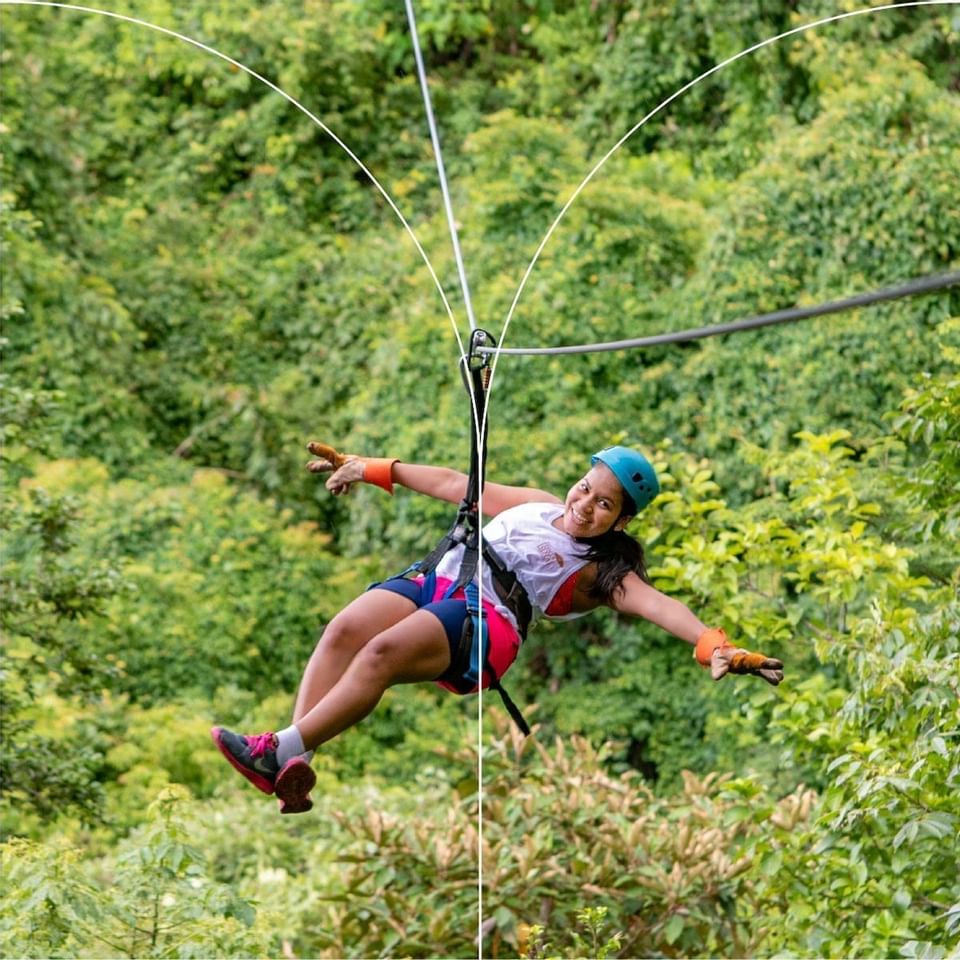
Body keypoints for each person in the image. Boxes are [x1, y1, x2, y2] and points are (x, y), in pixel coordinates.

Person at [211, 442, 783, 814]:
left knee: (380, 654)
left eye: (604, 505)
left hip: (487, 622)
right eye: (586, 488)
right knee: (342, 631)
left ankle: (278, 749)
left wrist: (715, 645)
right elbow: (455, 483)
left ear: (620, 520)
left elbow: (661, 607)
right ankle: (293, 760)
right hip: (442, 578)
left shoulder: (604, 573)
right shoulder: (537, 504)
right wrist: (373, 469)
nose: (585, 505)